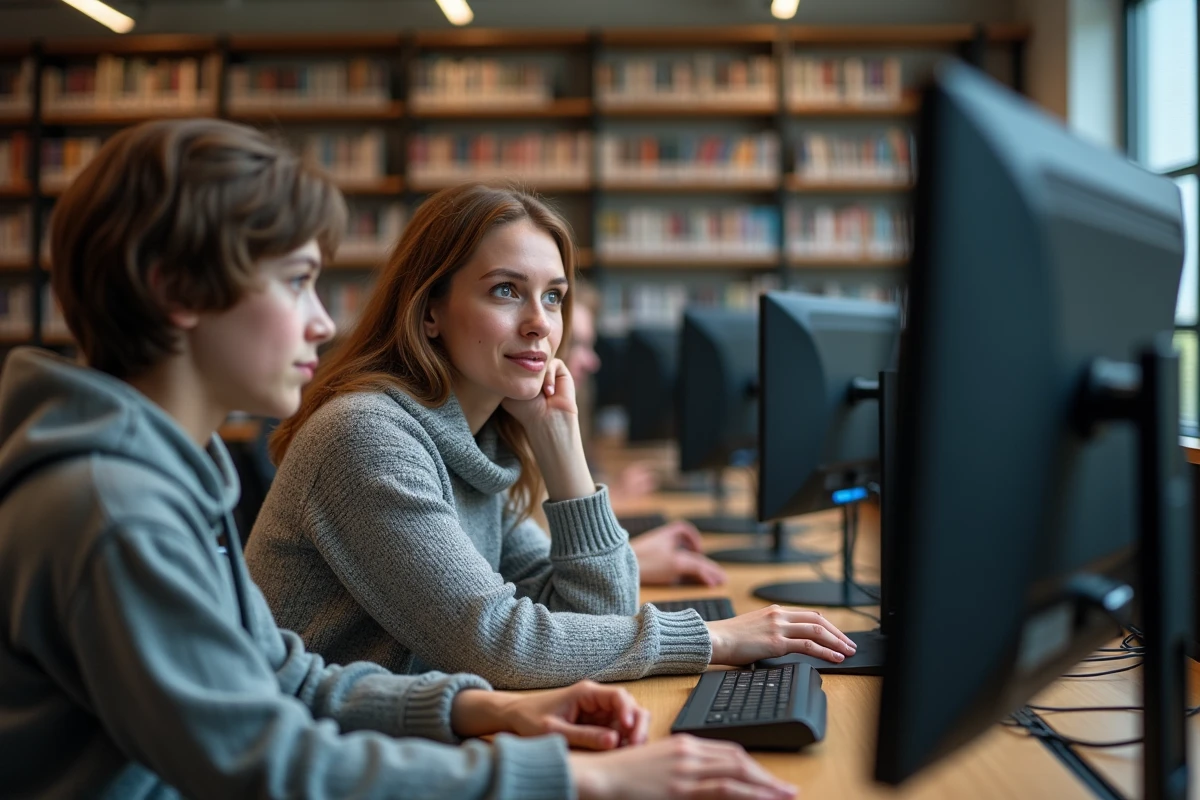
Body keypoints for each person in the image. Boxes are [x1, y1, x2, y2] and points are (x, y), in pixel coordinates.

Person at [0, 120, 796, 800]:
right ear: (175, 289)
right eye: (298, 282)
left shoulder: (168, 475)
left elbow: (293, 682)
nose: (320, 323)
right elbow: (267, 761)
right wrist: (577, 775)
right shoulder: (117, 509)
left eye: (554, 296)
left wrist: (482, 712)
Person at [247, 181, 858, 692]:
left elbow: (590, 612)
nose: (541, 323)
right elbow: (501, 642)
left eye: (555, 297)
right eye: (506, 291)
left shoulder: (482, 443)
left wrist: (562, 451)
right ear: (428, 309)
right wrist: (715, 638)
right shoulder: (368, 435)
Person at [564, 287, 727, 587]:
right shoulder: (520, 434)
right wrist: (631, 560)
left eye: (589, 345)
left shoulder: (573, 406)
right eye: (574, 344)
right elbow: (530, 572)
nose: (592, 362)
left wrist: (628, 556)